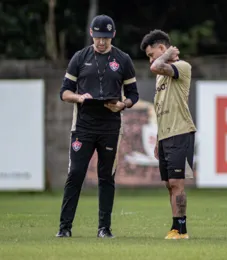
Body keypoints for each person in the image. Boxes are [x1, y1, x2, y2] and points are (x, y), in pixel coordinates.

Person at [56, 14, 139, 238]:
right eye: (98, 37)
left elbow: (133, 94)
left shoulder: (123, 59)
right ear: (91, 34)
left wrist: (123, 104)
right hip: (83, 126)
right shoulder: (79, 58)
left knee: (106, 176)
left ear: (113, 36)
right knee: (75, 174)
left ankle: (104, 228)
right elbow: (64, 92)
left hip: (111, 126)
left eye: (106, 38)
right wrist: (79, 98)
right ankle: (64, 228)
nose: (102, 42)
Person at [140, 29, 197, 239]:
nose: (150, 60)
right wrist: (157, 138)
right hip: (165, 135)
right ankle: (175, 226)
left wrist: (165, 55)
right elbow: (160, 108)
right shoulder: (160, 78)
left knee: (176, 182)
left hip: (180, 132)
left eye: (151, 53)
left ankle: (182, 230)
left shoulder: (182, 67)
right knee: (168, 184)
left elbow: (156, 66)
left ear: (162, 48)